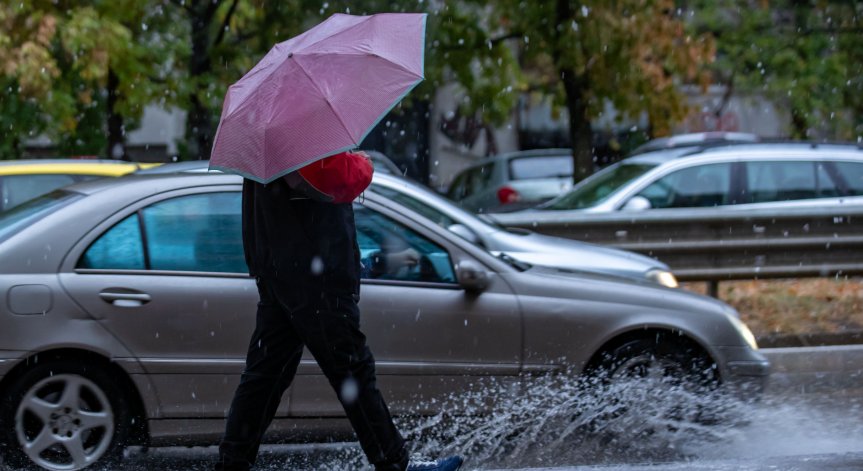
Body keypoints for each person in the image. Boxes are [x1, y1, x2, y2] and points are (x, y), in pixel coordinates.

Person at [215, 152, 463, 471]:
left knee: (267, 375)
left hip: (284, 267)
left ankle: (232, 462)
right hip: (314, 274)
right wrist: (362, 162)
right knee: (351, 369)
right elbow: (332, 178)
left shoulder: (270, 133)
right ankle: (395, 463)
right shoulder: (301, 129)